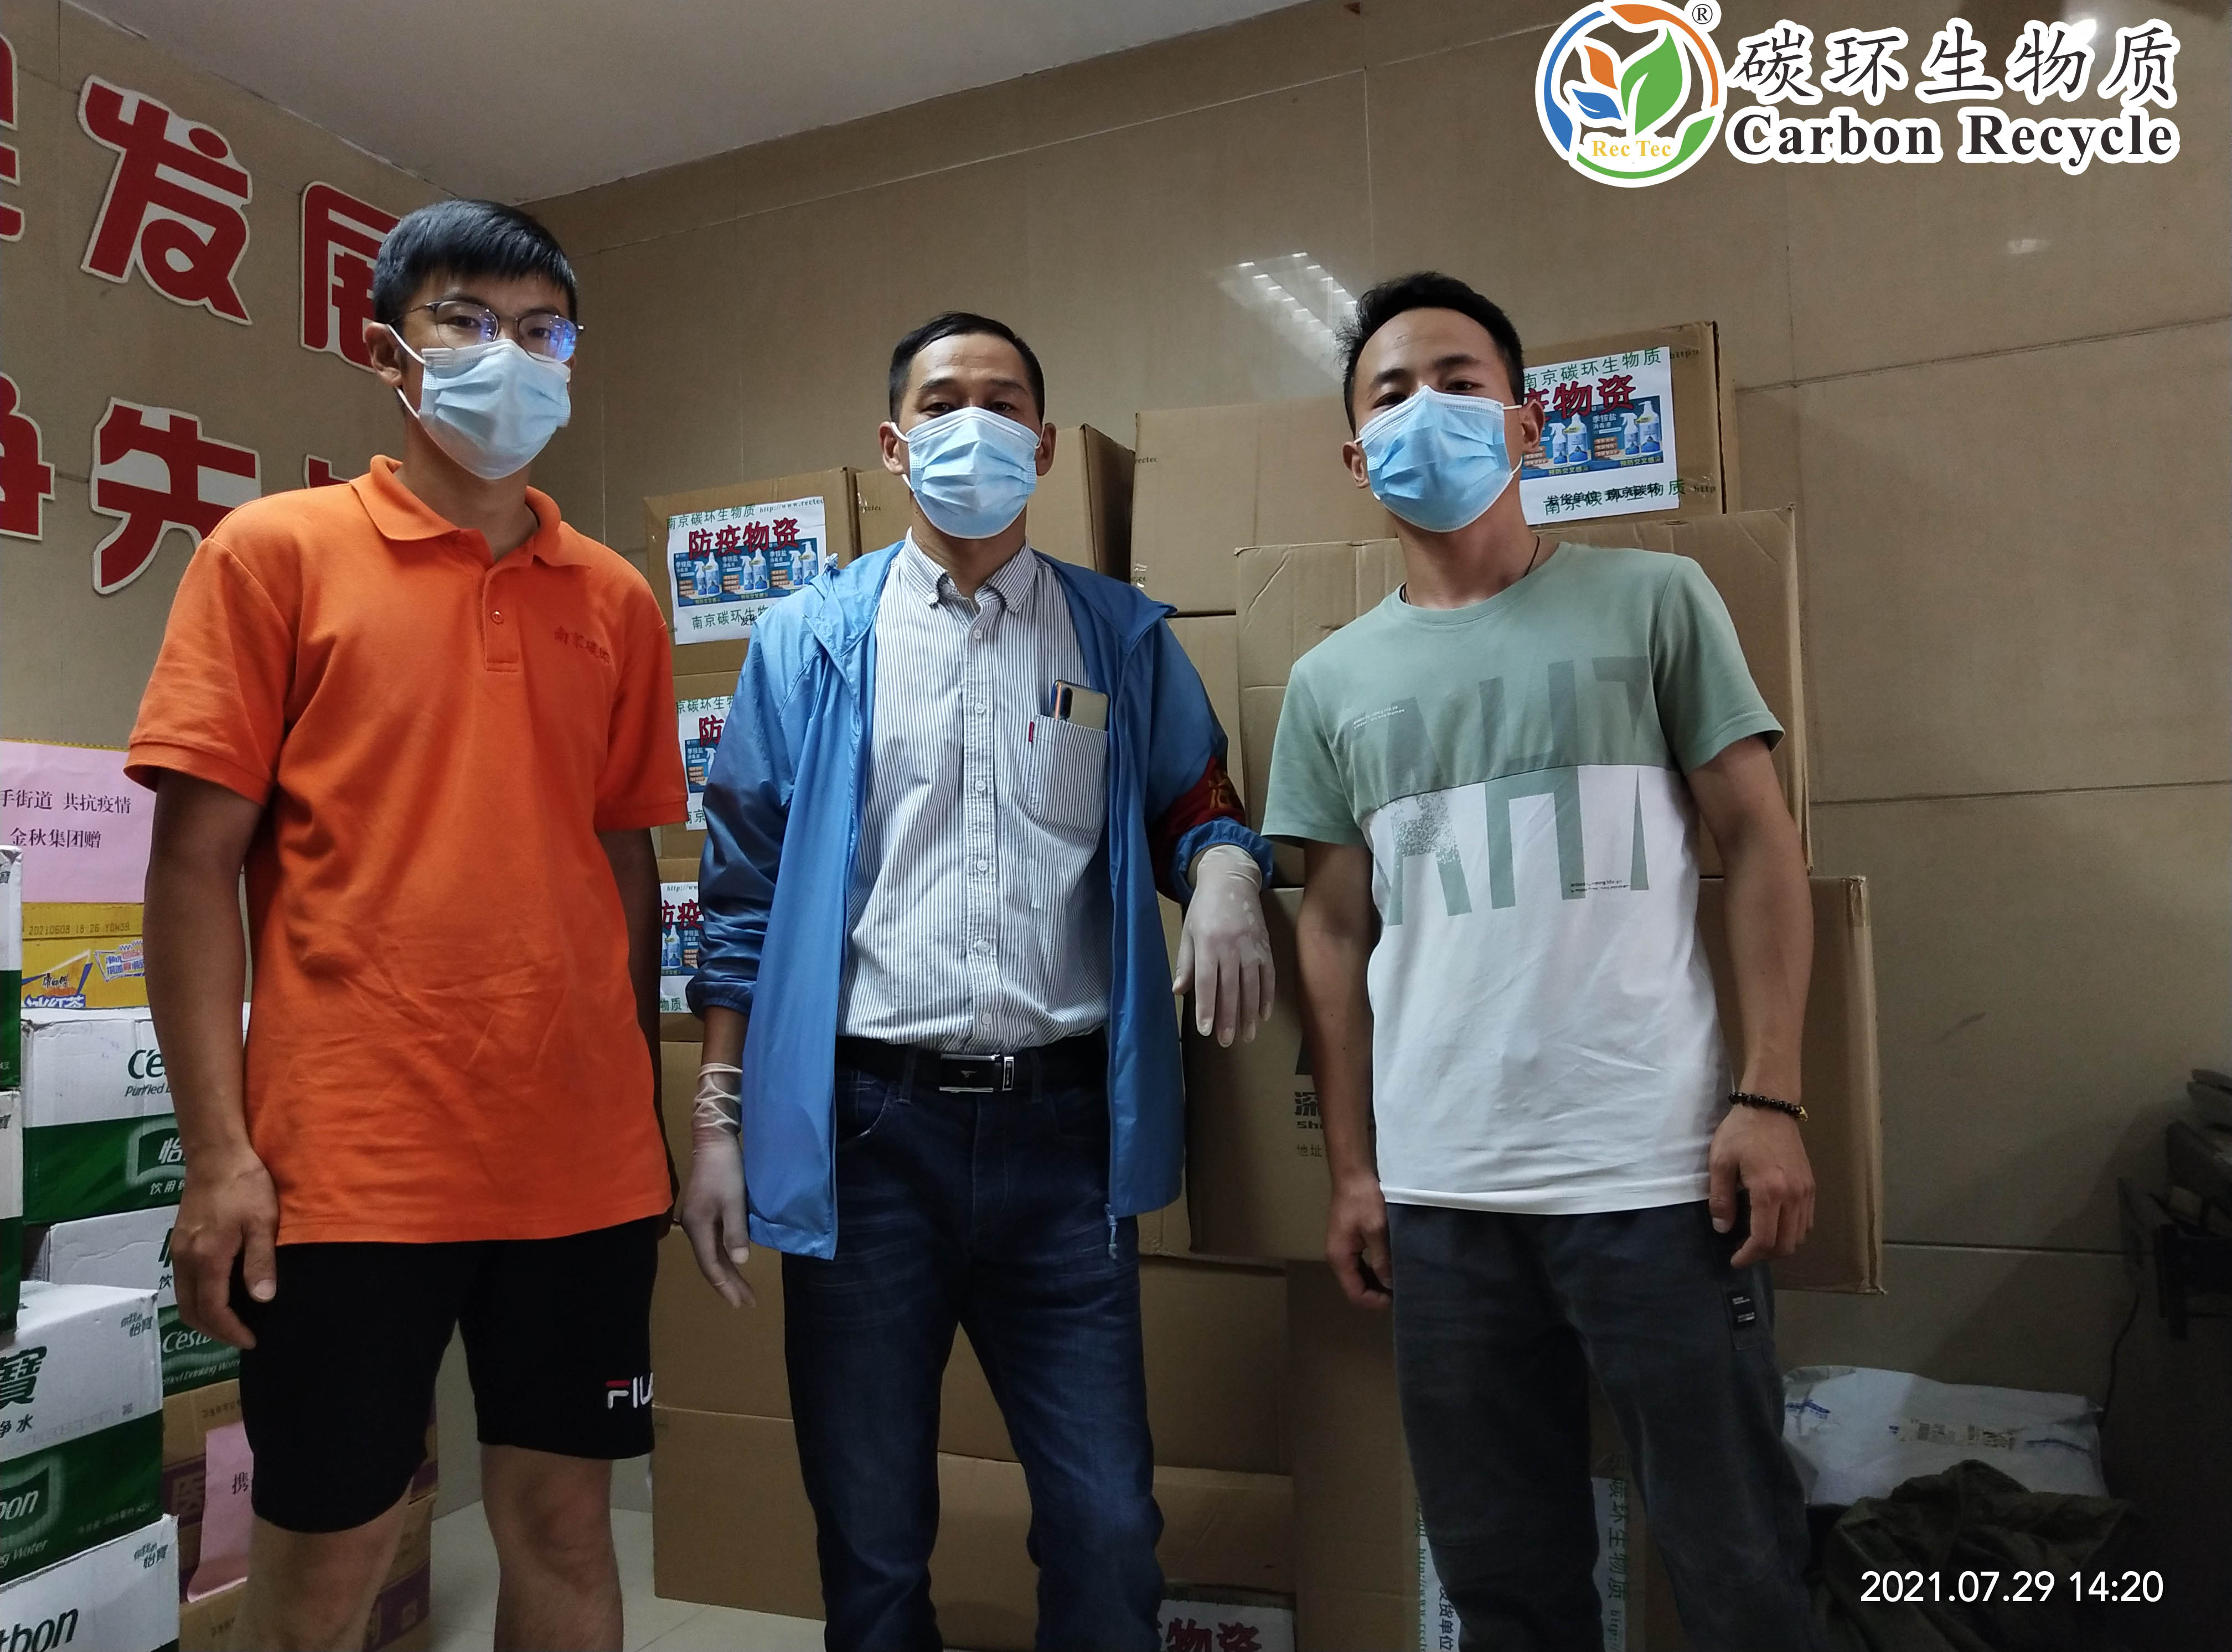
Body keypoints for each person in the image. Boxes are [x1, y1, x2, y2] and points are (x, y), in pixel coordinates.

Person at [676, 311, 1275, 1650]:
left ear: (1045, 447)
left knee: (1109, 1527)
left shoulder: (1117, 637)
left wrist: (1231, 871)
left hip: (1061, 1140)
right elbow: (741, 895)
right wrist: (717, 1119)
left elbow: (1198, 802)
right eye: (943, 402)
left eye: (1005, 404)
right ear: (895, 446)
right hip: (869, 1133)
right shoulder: (809, 641)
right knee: (871, 1537)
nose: (975, 427)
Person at [131, 199, 682, 1652]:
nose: (511, 355)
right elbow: (192, 869)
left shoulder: (616, 600)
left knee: (566, 1529)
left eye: (543, 331)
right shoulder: (272, 554)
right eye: (468, 321)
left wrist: (639, 1106)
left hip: (578, 1162)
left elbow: (621, 861)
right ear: (390, 353)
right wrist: (219, 1154)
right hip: (349, 1165)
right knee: (329, 1561)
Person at [1263, 271, 1819, 1652]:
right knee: (1503, 1583)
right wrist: (1353, 1171)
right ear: (1357, 457)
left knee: (1740, 1564)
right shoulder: (1331, 682)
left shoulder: (1655, 600)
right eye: (1392, 393)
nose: (1427, 409)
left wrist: (1772, 1095)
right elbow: (1331, 930)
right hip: (1443, 1198)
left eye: (1460, 381)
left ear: (1526, 424)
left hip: (1659, 1179)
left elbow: (1760, 841)